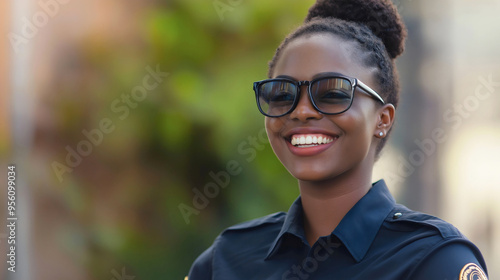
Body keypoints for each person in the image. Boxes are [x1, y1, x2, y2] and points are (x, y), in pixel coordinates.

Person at [187, 0, 488, 279]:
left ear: (382, 119)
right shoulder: (227, 259)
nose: (302, 111)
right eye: (282, 94)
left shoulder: (434, 259)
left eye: (332, 93)